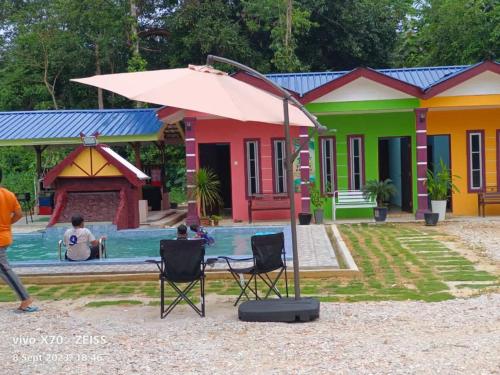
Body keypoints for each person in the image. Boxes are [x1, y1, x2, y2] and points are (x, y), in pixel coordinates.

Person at [0, 168, 38, 312]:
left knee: (5, 270)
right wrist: (6, 224)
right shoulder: (8, 194)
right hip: (4, 236)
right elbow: (19, 214)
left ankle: (25, 299)